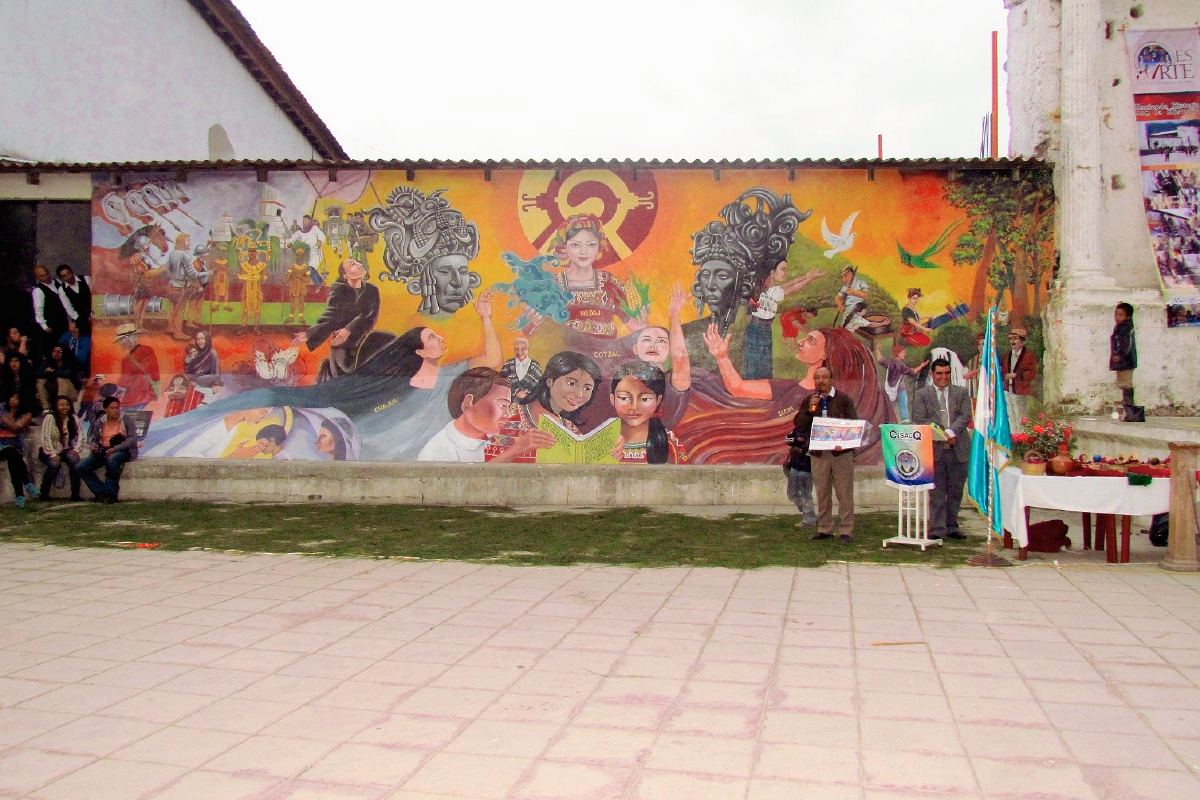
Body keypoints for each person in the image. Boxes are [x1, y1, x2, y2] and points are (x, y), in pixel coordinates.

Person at [418, 368, 554, 462]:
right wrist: (515, 451)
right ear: (468, 403)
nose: (507, 414)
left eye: (508, 407)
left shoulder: (490, 436)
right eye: (502, 405)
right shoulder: (437, 453)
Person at [791, 366, 859, 543]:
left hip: (840, 453)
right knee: (822, 492)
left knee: (844, 493)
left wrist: (844, 443)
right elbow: (800, 424)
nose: (821, 381)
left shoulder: (843, 399)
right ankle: (825, 528)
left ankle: (846, 530)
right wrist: (810, 410)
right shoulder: (809, 400)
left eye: (824, 377)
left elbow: (853, 424)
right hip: (819, 453)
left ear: (831, 379)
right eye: (817, 378)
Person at [912, 358, 972, 540]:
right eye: (939, 373)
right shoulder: (923, 394)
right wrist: (941, 435)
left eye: (946, 373)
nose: (943, 377)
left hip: (958, 449)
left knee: (955, 491)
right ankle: (937, 529)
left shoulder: (961, 392)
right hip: (935, 450)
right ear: (932, 374)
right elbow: (919, 418)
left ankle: (952, 526)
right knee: (937, 493)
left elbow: (966, 415)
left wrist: (952, 432)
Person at [292, 258, 382, 380]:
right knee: (347, 367)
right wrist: (309, 334)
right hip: (344, 345)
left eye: (357, 262)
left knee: (386, 340)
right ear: (345, 275)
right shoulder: (339, 290)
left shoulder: (372, 290)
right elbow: (331, 316)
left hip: (365, 338)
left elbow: (370, 317)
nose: (359, 264)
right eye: (353, 264)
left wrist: (349, 329)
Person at [743, 261, 823, 379]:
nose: (785, 273)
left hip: (761, 328)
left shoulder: (770, 289)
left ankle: (758, 387)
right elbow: (794, 288)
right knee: (758, 362)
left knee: (759, 362)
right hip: (759, 328)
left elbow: (792, 283)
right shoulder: (772, 291)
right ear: (772, 272)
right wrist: (810, 279)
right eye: (783, 269)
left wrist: (805, 277)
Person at [609, 361, 686, 464]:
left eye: (645, 399)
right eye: (624, 398)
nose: (634, 406)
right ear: (612, 399)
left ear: (658, 400)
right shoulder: (604, 438)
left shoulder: (668, 442)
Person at [78, 397, 139, 503]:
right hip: (104, 449)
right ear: (106, 409)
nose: (116, 410)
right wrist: (94, 446)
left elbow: (132, 438)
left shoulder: (126, 419)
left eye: (117, 408)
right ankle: (102, 492)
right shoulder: (100, 421)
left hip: (123, 450)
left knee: (112, 459)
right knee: (81, 466)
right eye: (112, 408)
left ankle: (110, 493)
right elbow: (94, 438)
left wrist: (115, 448)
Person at [38, 396, 83, 501]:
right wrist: (53, 454)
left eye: (67, 404)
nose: (65, 407)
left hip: (65, 449)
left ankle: (75, 495)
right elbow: (46, 437)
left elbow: (80, 435)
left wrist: (76, 449)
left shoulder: (73, 417)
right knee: (54, 465)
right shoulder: (50, 418)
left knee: (76, 462)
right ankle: (43, 494)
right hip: (48, 450)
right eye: (61, 405)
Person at [0, 394, 39, 508]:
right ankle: (27, 485)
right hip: (1, 444)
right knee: (13, 454)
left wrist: (3, 419)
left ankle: (20, 497)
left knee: (14, 458)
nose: (14, 400)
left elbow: (16, 427)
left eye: (17, 398)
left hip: (15, 445)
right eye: (12, 397)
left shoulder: (25, 414)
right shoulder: (1, 407)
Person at [114, 324, 159, 410]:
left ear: (129, 338)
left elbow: (124, 382)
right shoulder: (148, 350)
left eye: (121, 339)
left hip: (133, 400)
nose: (120, 343)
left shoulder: (127, 360)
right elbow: (155, 376)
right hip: (148, 396)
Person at [879, 344, 927, 423]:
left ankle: (889, 420)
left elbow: (880, 360)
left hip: (893, 387)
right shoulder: (899, 364)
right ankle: (904, 420)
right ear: (898, 353)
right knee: (902, 403)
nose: (905, 354)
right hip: (898, 388)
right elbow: (913, 372)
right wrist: (922, 366)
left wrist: (877, 350)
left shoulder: (890, 362)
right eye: (903, 352)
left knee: (891, 405)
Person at [784, 411, 817, 529]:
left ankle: (809, 519)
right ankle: (806, 511)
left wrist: (803, 451)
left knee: (805, 494)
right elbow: (788, 439)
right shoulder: (796, 430)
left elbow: (816, 453)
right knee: (792, 493)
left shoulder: (814, 433)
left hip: (807, 469)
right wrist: (796, 441)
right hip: (795, 465)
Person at [32, 264, 70, 356]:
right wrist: (44, 326)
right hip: (52, 326)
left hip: (64, 322)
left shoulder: (57, 282)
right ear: (37, 277)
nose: (46, 277)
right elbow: (38, 310)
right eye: (42, 276)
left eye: (46, 274)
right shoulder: (38, 291)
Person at [1003, 328, 1038, 426]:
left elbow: (1032, 373)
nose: (1012, 341)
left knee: (1021, 416)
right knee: (1010, 416)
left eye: (1015, 338)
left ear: (1022, 341)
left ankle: (1021, 437)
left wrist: (1016, 375)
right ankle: (1013, 436)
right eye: (1011, 339)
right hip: (1007, 390)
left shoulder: (1028, 355)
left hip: (1021, 390)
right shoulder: (1007, 356)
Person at [36, 345, 81, 411]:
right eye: (54, 351)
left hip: (71, 391)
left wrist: (54, 371)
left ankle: (60, 405)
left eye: (59, 351)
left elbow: (67, 374)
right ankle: (46, 407)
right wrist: (48, 372)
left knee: (62, 379)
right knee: (40, 381)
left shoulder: (71, 362)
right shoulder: (48, 362)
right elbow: (39, 374)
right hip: (52, 389)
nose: (56, 353)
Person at [1110, 302, 1138, 408]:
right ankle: (1125, 400)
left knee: (1126, 381)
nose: (1117, 317)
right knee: (1121, 380)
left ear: (1128, 316)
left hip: (1127, 360)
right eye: (1116, 314)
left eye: (1121, 315)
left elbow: (1126, 344)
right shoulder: (1120, 327)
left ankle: (1129, 401)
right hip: (1122, 361)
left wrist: (1120, 355)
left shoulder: (1126, 328)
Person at [289, 214, 328, 286]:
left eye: (305, 220)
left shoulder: (315, 229)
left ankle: (318, 285)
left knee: (310, 268)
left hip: (316, 253)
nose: (304, 222)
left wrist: (320, 241)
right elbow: (293, 238)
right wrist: (289, 243)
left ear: (309, 221)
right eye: (303, 220)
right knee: (311, 268)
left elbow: (322, 235)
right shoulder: (300, 232)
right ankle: (321, 281)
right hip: (307, 254)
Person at [238, 248, 267, 331]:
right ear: (247, 252)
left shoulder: (262, 265)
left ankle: (256, 327)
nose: (252, 253)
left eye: (254, 251)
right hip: (246, 289)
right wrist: (251, 277)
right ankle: (243, 327)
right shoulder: (243, 265)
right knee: (245, 309)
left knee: (257, 309)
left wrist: (260, 277)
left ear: (257, 252)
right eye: (250, 251)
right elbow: (241, 276)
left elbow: (264, 277)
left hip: (257, 290)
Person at [834, 266, 869, 330]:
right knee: (842, 327)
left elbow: (866, 295)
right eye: (842, 277)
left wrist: (854, 292)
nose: (843, 279)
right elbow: (838, 297)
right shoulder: (845, 286)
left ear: (850, 273)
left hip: (859, 310)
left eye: (845, 276)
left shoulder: (860, 282)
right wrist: (839, 304)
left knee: (847, 327)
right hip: (847, 311)